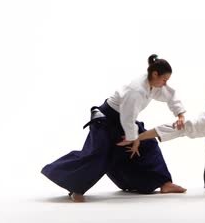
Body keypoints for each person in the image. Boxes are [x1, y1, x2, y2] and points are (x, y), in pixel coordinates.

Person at [41, 54, 187, 202]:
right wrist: (133, 138)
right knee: (99, 154)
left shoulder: (153, 83)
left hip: (124, 120)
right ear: (155, 74)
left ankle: (164, 183)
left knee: (149, 144)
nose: (165, 83)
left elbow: (169, 94)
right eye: (164, 80)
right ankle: (76, 188)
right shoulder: (136, 90)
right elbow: (127, 117)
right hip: (107, 119)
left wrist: (180, 114)